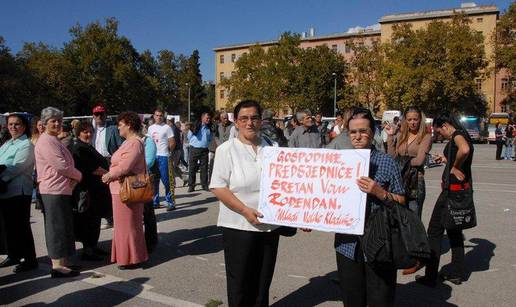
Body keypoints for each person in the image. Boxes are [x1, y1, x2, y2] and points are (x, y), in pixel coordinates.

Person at [210, 100, 280, 307]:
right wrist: (244, 210)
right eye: (244, 118)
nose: (250, 123)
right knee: (240, 283)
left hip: (269, 226)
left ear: (261, 121)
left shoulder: (273, 148)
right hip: (239, 225)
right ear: (236, 122)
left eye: (254, 118)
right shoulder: (226, 150)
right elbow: (218, 187)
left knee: (262, 282)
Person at [334, 107, 405, 307]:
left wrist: (379, 192)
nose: (358, 136)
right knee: (352, 299)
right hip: (347, 245)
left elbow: (401, 200)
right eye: (353, 132)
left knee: (380, 299)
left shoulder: (386, 162)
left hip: (380, 243)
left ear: (372, 132)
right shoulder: (339, 163)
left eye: (363, 131)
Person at [416, 111, 474, 287]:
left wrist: (455, 166)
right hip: (461, 191)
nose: (441, 135)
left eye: (440, 132)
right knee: (455, 232)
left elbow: (464, 150)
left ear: (445, 126)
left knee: (434, 231)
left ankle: (431, 275)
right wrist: (447, 159)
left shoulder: (457, 134)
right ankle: (456, 272)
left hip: (450, 192)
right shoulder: (463, 134)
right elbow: (462, 151)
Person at [35, 107, 82, 278]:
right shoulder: (46, 141)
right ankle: (57, 265)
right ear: (44, 123)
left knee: (63, 226)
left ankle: (64, 261)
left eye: (58, 120)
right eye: (52, 121)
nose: (56, 123)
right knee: (56, 227)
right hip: (53, 190)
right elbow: (61, 165)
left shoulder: (53, 139)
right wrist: (78, 175)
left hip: (61, 189)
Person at [101, 111, 148, 269]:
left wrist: (109, 174)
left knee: (127, 225)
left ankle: (130, 258)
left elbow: (125, 166)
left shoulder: (134, 143)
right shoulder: (128, 142)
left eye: (120, 124)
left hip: (126, 188)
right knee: (125, 225)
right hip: (120, 188)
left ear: (129, 124)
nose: (118, 128)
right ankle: (128, 256)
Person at [0, 113, 38, 273]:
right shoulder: (7, 144)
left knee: (21, 226)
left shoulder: (26, 145)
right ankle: (14, 254)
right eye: (10, 124)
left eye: (17, 124)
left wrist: (2, 178)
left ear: (24, 127)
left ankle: (30, 259)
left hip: (19, 191)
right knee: (9, 226)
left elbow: (17, 167)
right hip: (5, 192)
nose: (13, 127)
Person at [68, 121, 110, 261]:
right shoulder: (79, 148)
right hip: (87, 190)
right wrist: (110, 174)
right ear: (78, 133)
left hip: (96, 190)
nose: (89, 134)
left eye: (91, 132)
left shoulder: (88, 146)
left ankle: (93, 246)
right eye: (85, 132)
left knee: (95, 220)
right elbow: (93, 168)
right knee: (88, 221)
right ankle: (88, 250)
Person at [386, 106, 432, 218]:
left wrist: (400, 162)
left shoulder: (426, 136)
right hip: (400, 179)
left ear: (420, 120)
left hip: (415, 180)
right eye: (409, 119)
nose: (412, 123)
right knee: (399, 217)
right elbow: (392, 156)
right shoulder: (401, 135)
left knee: (414, 217)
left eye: (415, 119)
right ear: (405, 120)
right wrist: (390, 137)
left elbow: (419, 161)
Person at [91, 105, 123, 230]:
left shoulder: (113, 128)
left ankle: (116, 218)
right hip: (95, 161)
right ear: (93, 116)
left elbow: (121, 146)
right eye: (96, 114)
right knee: (99, 191)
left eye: (101, 114)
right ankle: (109, 218)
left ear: (105, 115)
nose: (99, 117)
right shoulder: (91, 129)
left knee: (112, 190)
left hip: (109, 161)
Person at [147, 109, 176, 210]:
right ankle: (155, 201)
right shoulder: (150, 128)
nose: (159, 117)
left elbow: (172, 142)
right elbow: (148, 142)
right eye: (157, 115)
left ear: (163, 117)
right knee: (154, 180)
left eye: (160, 115)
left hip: (163, 156)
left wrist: (168, 152)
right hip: (153, 157)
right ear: (154, 116)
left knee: (166, 180)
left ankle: (171, 202)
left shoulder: (167, 127)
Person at [142, 130, 158, 253]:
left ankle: (151, 241)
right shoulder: (129, 141)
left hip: (146, 177)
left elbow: (150, 161)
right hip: (135, 177)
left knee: (148, 211)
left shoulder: (148, 141)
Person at [187, 112, 212, 192]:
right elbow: (189, 136)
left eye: (209, 118)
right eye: (207, 118)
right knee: (192, 168)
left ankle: (204, 185)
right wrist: (193, 143)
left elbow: (209, 138)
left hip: (204, 150)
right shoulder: (196, 126)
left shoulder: (208, 128)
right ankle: (191, 185)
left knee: (204, 168)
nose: (208, 120)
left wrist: (206, 144)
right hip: (194, 148)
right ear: (202, 118)